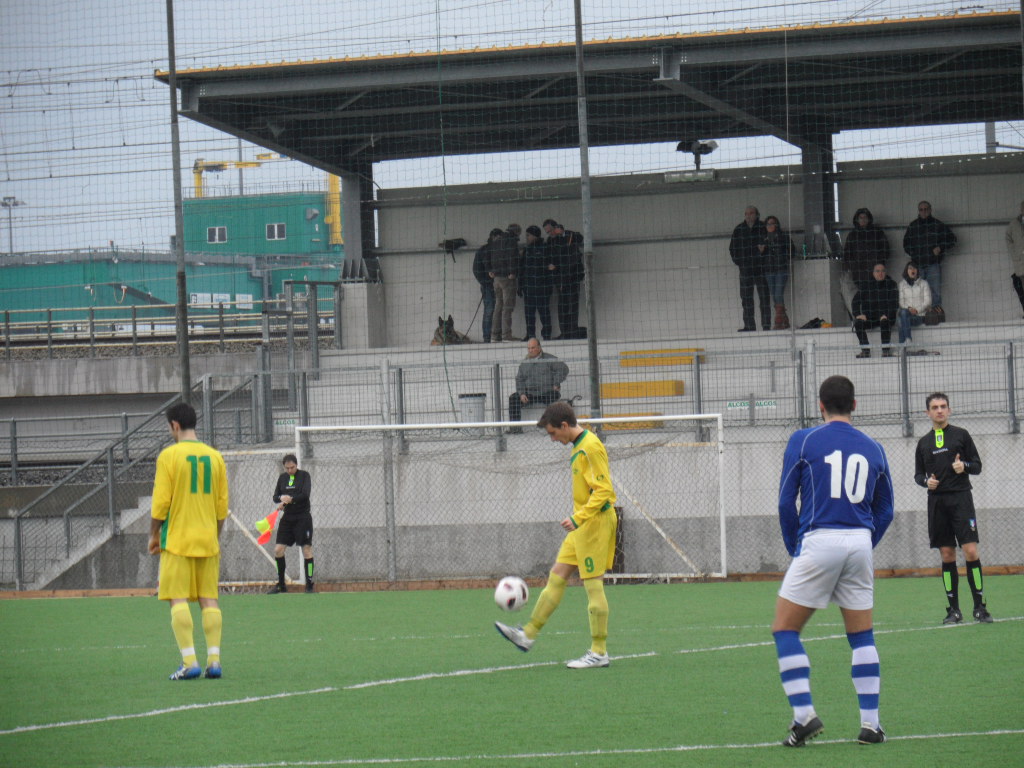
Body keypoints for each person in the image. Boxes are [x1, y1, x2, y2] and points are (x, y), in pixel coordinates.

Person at [773, 375, 894, 747]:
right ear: (854, 405)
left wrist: (796, 546)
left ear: (820, 405)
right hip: (859, 542)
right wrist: (864, 542)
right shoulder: (874, 447)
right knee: (862, 636)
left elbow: (784, 501)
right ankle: (871, 725)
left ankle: (803, 716)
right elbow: (885, 509)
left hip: (819, 539)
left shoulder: (804, 440)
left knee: (785, 630)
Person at [495, 401, 618, 669]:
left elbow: (604, 490)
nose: (552, 439)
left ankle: (599, 651)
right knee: (558, 574)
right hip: (582, 525)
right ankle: (527, 635)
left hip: (593, 524)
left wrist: (579, 517)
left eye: (553, 433)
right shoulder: (579, 446)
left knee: (593, 585)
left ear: (564, 426)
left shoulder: (590, 447)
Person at [148, 402, 229, 680]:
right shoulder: (215, 457)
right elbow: (222, 507)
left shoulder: (169, 456)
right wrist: (214, 536)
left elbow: (161, 502)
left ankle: (190, 662)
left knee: (177, 598)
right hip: (207, 539)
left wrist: (153, 534)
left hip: (178, 540)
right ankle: (215, 661)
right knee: (210, 600)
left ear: (174, 425)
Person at [914, 393, 992, 625]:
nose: (939, 410)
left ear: (949, 410)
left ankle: (979, 607)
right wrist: (925, 482)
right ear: (927, 413)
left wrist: (964, 466)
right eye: (935, 407)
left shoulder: (961, 435)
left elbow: (977, 466)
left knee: (970, 551)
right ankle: (953, 610)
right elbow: (918, 475)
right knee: (947, 555)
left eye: (943, 406)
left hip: (961, 500)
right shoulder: (923, 443)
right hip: (937, 503)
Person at [268, 453, 315, 593]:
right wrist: (281, 498)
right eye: (287, 468)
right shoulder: (282, 478)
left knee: (306, 550)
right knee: (278, 550)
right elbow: (275, 497)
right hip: (287, 519)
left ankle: (309, 585)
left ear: (296, 465)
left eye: (292, 467)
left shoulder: (304, 476)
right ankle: (281, 585)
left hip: (303, 518)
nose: (289, 470)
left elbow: (305, 494)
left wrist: (291, 499)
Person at [903, 201, 956, 322]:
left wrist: (940, 248)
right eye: (921, 209)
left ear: (930, 210)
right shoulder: (913, 226)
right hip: (917, 266)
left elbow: (952, 239)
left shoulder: (938, 225)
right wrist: (914, 253)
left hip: (933, 265)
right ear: (918, 211)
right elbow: (905, 244)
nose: (923, 211)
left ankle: (937, 318)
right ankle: (919, 319)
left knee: (935, 293)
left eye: (926, 209)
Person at [507, 338, 569, 429]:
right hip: (530, 393)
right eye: (529, 348)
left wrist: (556, 382)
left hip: (546, 392)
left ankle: (553, 427)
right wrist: (522, 393)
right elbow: (519, 379)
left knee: (553, 397)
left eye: (533, 348)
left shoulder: (549, 359)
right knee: (513, 399)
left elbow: (564, 369)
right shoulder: (524, 363)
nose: (530, 350)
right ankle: (515, 428)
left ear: (539, 348)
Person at [841, 208, 890, 317]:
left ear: (869, 219)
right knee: (861, 298)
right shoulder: (852, 235)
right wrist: (852, 267)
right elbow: (847, 254)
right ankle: (862, 319)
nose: (863, 220)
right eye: (860, 218)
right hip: (859, 274)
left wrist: (879, 263)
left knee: (877, 296)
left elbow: (886, 250)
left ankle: (878, 318)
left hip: (876, 274)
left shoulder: (877, 233)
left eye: (865, 217)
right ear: (857, 220)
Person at [729, 205, 770, 331]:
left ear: (757, 214)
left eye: (751, 213)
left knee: (764, 298)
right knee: (746, 299)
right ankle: (749, 326)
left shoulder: (764, 227)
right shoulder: (739, 229)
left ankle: (766, 325)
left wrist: (764, 257)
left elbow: (771, 245)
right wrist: (740, 262)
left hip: (761, 269)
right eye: (746, 213)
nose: (748, 215)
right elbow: (732, 249)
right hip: (745, 269)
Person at [543, 219, 586, 339]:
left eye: (550, 231)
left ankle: (572, 331)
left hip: (572, 277)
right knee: (562, 306)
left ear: (556, 228)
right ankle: (565, 332)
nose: (549, 234)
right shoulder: (551, 241)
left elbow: (580, 238)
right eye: (547, 232)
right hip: (559, 278)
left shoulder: (569, 236)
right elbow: (549, 256)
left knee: (572, 305)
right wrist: (550, 265)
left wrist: (564, 232)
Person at [852, 262, 899, 358]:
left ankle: (885, 351)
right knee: (858, 323)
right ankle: (865, 351)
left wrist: (887, 315)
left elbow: (894, 303)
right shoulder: (866, 285)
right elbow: (855, 301)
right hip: (870, 317)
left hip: (885, 317)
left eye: (882, 271)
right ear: (873, 273)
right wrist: (858, 314)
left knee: (885, 322)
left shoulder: (891, 284)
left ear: (885, 273)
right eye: (877, 271)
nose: (880, 273)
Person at [520, 224, 554, 341]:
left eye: (528, 235)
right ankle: (530, 335)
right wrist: (520, 286)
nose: (527, 237)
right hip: (529, 287)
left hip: (542, 287)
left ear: (535, 236)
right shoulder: (526, 250)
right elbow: (522, 269)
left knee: (544, 312)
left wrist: (549, 286)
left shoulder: (545, 248)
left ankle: (547, 335)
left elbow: (550, 268)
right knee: (529, 314)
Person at [761, 215, 795, 330]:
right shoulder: (763, 238)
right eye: (768, 224)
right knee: (774, 295)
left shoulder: (783, 237)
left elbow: (792, 251)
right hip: (769, 270)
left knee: (778, 294)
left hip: (781, 269)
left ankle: (778, 320)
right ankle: (784, 320)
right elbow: (758, 255)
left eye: (773, 224)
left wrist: (783, 256)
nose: (770, 226)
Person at [486, 227, 519, 342]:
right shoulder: (511, 241)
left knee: (498, 306)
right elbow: (512, 257)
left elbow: (491, 258)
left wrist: (493, 270)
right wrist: (512, 272)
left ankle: (495, 335)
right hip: (507, 277)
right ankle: (506, 335)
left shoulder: (495, 242)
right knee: (507, 307)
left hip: (496, 278)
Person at [896, 261, 932, 354]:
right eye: (910, 268)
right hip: (907, 314)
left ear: (917, 270)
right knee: (902, 315)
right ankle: (907, 339)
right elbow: (901, 301)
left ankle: (902, 347)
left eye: (914, 268)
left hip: (920, 315)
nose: (912, 270)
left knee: (901, 319)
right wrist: (909, 309)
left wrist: (917, 310)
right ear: (906, 271)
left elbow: (928, 301)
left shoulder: (924, 283)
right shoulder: (902, 284)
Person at [472, 236, 496, 342]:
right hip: (488, 286)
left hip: (496, 285)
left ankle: (495, 336)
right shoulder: (484, 250)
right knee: (489, 310)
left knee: (496, 311)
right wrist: (486, 283)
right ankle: (487, 337)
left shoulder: (487, 250)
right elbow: (476, 269)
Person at [1005, 200, 1024, 319]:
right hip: (1020, 262)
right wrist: (1015, 254)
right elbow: (1008, 239)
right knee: (1021, 287)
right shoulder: (1014, 224)